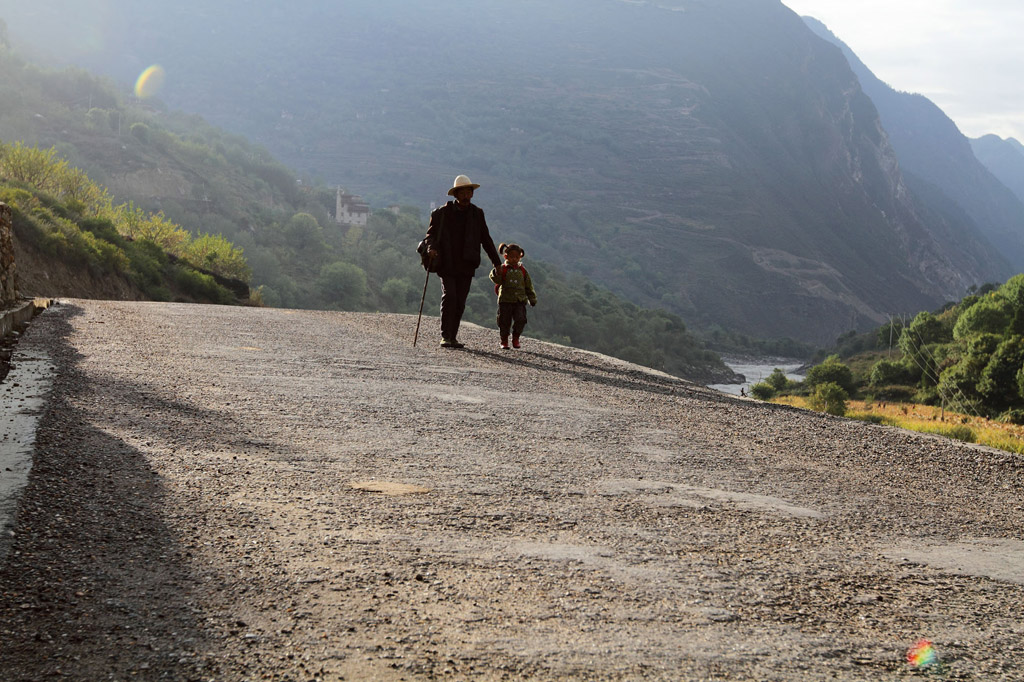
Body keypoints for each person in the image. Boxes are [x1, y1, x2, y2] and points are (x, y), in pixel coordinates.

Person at [423, 175, 502, 348]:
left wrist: (497, 263)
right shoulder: (440, 214)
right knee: (450, 296)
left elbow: (486, 240)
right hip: (446, 263)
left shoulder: (477, 214)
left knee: (460, 301)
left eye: (469, 192)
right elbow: (430, 236)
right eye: (463, 192)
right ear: (456, 195)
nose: (467, 196)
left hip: (466, 264)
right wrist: (431, 248)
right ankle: (445, 336)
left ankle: (453, 336)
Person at [489, 243, 537, 349]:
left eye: (517, 257)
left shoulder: (523, 271)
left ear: (520, 257)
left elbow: (528, 286)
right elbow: (496, 279)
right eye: (512, 257)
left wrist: (532, 298)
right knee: (504, 321)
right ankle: (504, 340)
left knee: (521, 319)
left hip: (519, 301)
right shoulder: (503, 269)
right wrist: (496, 272)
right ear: (506, 256)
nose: (514, 259)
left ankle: (516, 338)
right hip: (505, 300)